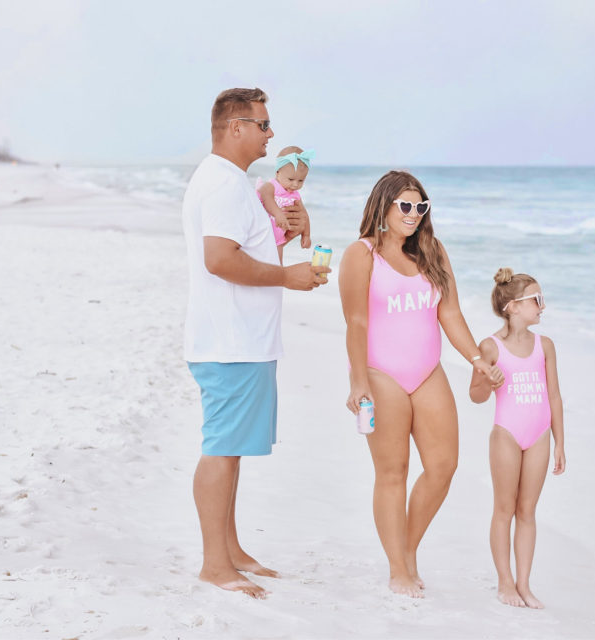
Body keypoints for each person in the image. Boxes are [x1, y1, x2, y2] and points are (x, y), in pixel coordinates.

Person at [181, 88, 331, 599]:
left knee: (233, 449)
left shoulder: (232, 182)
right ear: (236, 127)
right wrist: (287, 277)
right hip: (229, 340)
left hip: (242, 338)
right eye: (264, 125)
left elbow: (246, 248)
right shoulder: (224, 185)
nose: (272, 134)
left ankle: (231, 550)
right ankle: (214, 565)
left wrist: (285, 239)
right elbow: (219, 259)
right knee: (221, 449)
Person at [338, 170, 504, 598]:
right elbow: (355, 322)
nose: (414, 214)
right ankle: (399, 569)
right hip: (381, 374)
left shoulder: (432, 250)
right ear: (384, 207)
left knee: (443, 467)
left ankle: (406, 550)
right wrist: (359, 382)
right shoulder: (361, 255)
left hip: (428, 372)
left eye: (421, 207)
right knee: (392, 473)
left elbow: (449, 314)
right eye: (406, 206)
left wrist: (475, 359)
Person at [469, 268, 566, 609]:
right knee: (505, 509)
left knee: (528, 511)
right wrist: (489, 382)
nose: (542, 306)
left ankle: (524, 584)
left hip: (539, 436)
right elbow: (475, 396)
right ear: (512, 306)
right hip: (506, 435)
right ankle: (505, 582)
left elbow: (554, 396)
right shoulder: (490, 347)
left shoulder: (545, 346)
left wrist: (560, 443)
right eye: (536, 300)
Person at [256, 145, 313, 260]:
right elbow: (266, 197)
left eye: (300, 180)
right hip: (261, 236)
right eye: (291, 179)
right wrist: (278, 214)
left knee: (277, 267)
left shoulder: (295, 195)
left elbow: (304, 215)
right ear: (278, 172)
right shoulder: (271, 186)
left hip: (278, 241)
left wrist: (306, 235)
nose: (295, 184)